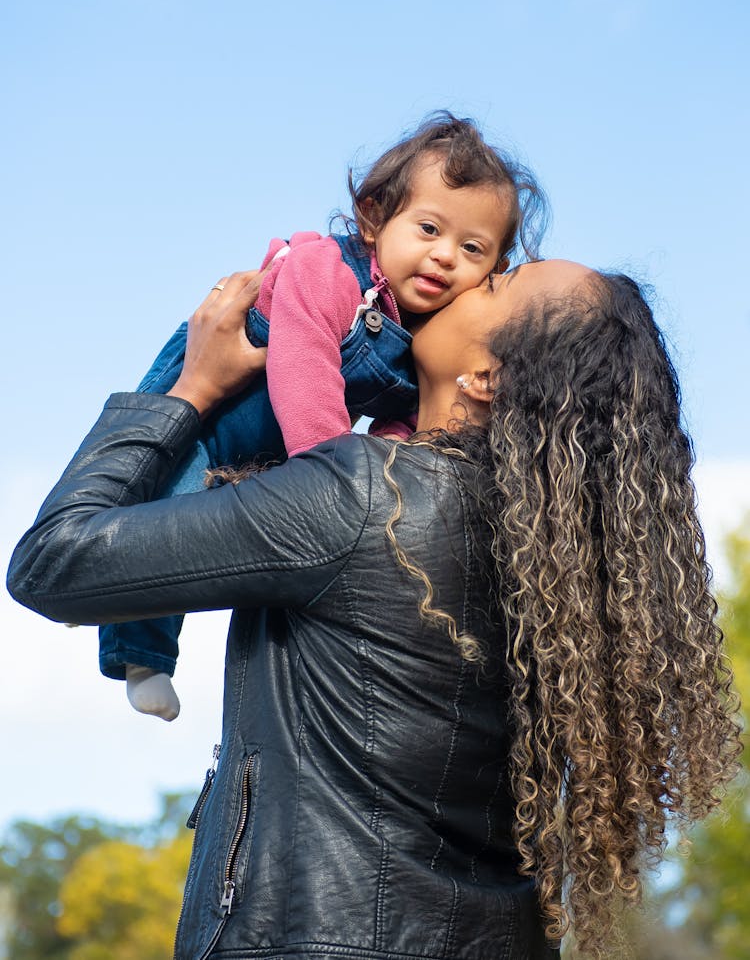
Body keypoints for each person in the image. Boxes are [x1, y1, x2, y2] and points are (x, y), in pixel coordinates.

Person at [8, 261, 740, 960]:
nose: (457, 276)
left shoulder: (366, 496)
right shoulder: (560, 575)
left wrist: (190, 390)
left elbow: (55, 560)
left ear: (486, 377)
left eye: (495, 281)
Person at [101, 112, 547, 722]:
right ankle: (140, 654)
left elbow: (401, 418)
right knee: (164, 506)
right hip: (222, 405)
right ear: (372, 219)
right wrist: (334, 473)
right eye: (428, 228)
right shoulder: (327, 271)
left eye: (471, 249)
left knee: (204, 521)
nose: (444, 256)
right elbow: (303, 364)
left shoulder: (414, 335)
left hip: (275, 447)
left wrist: (394, 470)